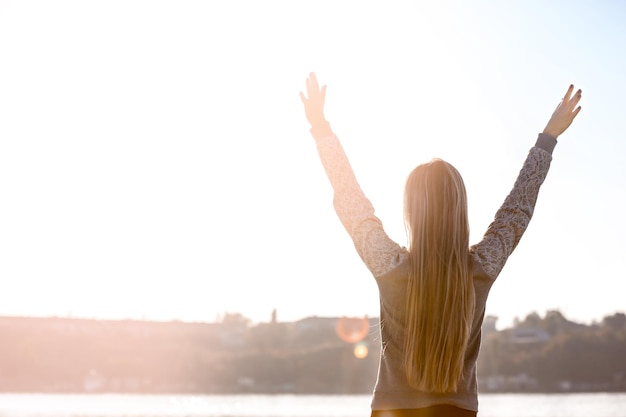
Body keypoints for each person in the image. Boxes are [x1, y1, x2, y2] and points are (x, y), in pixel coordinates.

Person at [299, 73, 582, 417]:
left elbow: (352, 202)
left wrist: (322, 130)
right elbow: (517, 209)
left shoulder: (391, 266)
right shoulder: (482, 266)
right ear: (460, 208)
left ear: (411, 211)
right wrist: (547, 138)